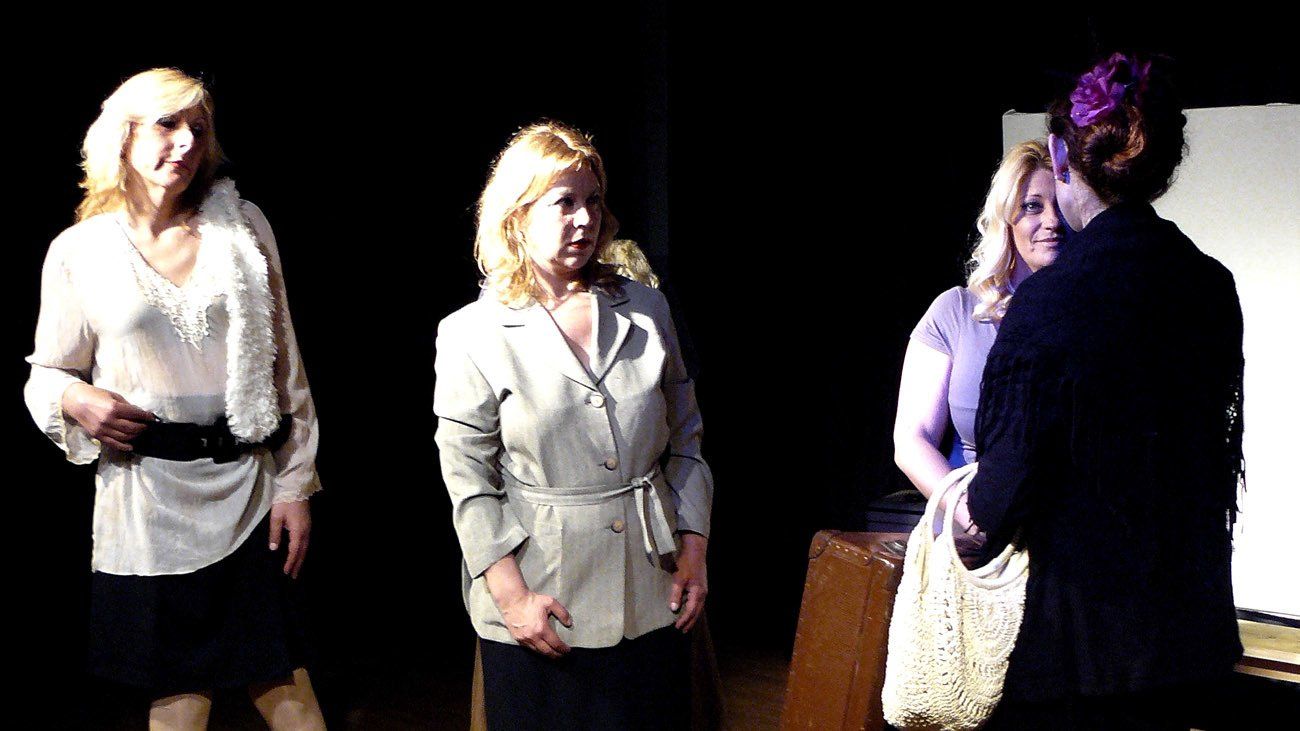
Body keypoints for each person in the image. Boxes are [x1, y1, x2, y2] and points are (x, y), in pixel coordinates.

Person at [23, 68, 326, 729]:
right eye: (168, 124)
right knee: (178, 701)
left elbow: (289, 372)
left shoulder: (242, 227)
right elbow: (45, 371)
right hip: (148, 502)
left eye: (199, 127)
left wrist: (295, 483)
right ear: (124, 137)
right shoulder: (81, 250)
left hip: (247, 490)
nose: (187, 141)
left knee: (287, 691)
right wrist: (75, 397)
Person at [967, 53, 1244, 728]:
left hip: (1084, 652)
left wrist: (966, 529)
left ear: (1063, 158)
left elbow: (999, 495)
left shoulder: (1050, 302)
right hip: (1194, 638)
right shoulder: (1211, 287)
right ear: (1162, 166)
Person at [434, 121, 713, 731]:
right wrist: (512, 597)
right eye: (564, 202)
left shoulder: (646, 308)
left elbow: (687, 438)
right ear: (517, 215)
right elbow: (469, 479)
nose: (585, 218)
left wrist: (693, 547)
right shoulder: (472, 333)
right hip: (544, 602)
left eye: (593, 200)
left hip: (651, 590)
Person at [893, 141, 1061, 507]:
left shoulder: (1093, 312)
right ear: (1006, 216)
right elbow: (911, 438)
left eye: (1061, 206)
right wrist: (966, 514)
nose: (1053, 221)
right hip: (974, 524)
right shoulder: (955, 310)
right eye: (1032, 206)